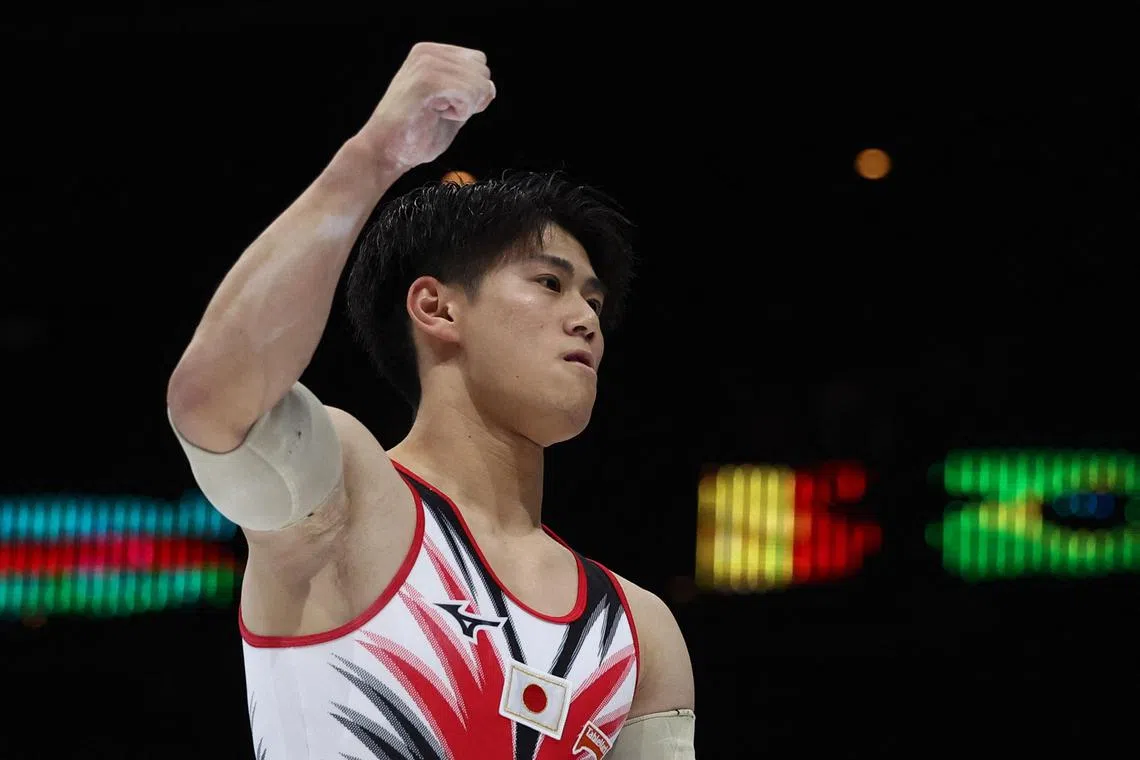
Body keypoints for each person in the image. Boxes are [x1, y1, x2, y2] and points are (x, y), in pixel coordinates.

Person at [165, 41, 695, 759]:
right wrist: (377, 154)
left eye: (594, 298)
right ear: (438, 310)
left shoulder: (637, 629)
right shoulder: (347, 496)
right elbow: (210, 402)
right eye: (549, 283)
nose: (586, 318)